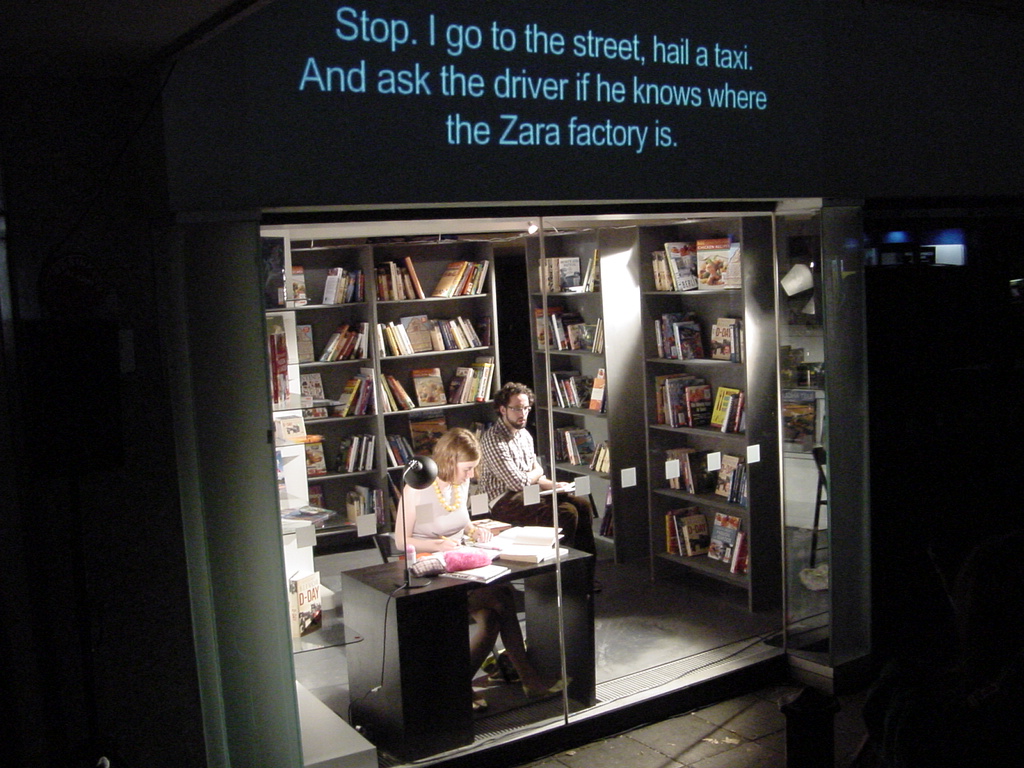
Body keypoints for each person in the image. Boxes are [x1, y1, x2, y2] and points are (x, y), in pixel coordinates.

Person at [394, 427, 564, 708]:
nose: (471, 475)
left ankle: (462, 686)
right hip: (433, 571)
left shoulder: (459, 484)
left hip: (461, 564)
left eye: (473, 468)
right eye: (467, 469)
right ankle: (525, 681)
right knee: (501, 601)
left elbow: (461, 522)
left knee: (495, 612)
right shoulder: (418, 487)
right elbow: (401, 539)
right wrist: (441, 546)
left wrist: (475, 531)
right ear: (449, 461)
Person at [477, 382, 597, 555]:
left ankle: (584, 573)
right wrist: (538, 471)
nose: (523, 414)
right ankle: (560, 569)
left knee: (583, 506)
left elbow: (532, 476)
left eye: (526, 408)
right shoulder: (494, 439)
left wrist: (554, 485)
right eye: (517, 409)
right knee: (566, 513)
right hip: (502, 501)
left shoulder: (525, 435)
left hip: (530, 492)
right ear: (503, 410)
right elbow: (517, 483)